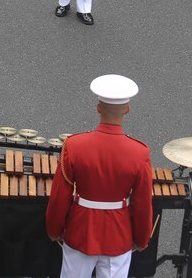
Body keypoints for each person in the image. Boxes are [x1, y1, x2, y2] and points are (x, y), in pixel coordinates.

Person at [45, 74, 153, 277]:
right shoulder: (139, 153)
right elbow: (142, 203)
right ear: (127, 110)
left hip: (80, 230)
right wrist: (141, 238)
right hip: (118, 235)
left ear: (98, 107)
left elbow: (60, 195)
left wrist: (54, 228)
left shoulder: (74, 145)